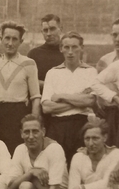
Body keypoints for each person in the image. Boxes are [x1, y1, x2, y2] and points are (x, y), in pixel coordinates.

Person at [42, 32, 110, 163]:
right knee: (57, 166)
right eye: (66, 47)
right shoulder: (52, 73)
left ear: (81, 48)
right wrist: (79, 100)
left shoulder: (90, 71)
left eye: (74, 47)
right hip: (58, 127)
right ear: (61, 49)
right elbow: (46, 107)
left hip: (81, 125)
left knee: (80, 164)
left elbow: (90, 100)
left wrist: (61, 96)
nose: (70, 52)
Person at [0, 21, 41, 154]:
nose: (10, 43)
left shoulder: (28, 63)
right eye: (7, 38)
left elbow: (36, 98)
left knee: (16, 155)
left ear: (21, 41)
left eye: (14, 39)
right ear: (0, 39)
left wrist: (33, 123)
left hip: (17, 114)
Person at [95, 18, 119, 146]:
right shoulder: (104, 61)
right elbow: (97, 89)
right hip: (110, 115)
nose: (118, 39)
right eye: (115, 35)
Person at [27, 14, 64, 88]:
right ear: (42, 32)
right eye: (45, 30)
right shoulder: (33, 54)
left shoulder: (68, 53)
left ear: (61, 29)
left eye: (52, 29)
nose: (49, 34)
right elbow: (27, 81)